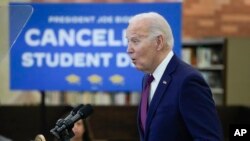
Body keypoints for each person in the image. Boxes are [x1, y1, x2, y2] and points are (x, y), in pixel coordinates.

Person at [126, 12, 223, 141]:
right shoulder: (147, 79)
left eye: (135, 41)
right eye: (128, 42)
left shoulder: (188, 81)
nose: (129, 49)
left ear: (159, 42)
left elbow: (210, 138)